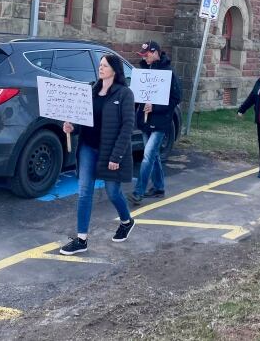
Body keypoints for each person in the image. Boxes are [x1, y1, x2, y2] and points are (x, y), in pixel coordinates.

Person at [60, 54, 136, 255]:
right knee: (85, 192)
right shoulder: (91, 91)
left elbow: (127, 127)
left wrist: (116, 157)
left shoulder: (124, 94)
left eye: (104, 65)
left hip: (110, 151)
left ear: (114, 69)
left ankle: (126, 221)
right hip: (88, 148)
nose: (100, 68)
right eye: (100, 65)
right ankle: (81, 239)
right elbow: (81, 120)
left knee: (113, 192)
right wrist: (71, 128)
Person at [129, 41, 181, 205]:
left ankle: (139, 191)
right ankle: (159, 188)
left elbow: (176, 97)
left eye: (147, 55)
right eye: (142, 55)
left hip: (160, 122)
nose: (144, 58)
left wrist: (156, 107)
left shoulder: (168, 72)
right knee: (153, 155)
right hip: (144, 121)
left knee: (148, 156)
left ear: (155, 52)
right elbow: (138, 96)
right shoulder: (143, 70)